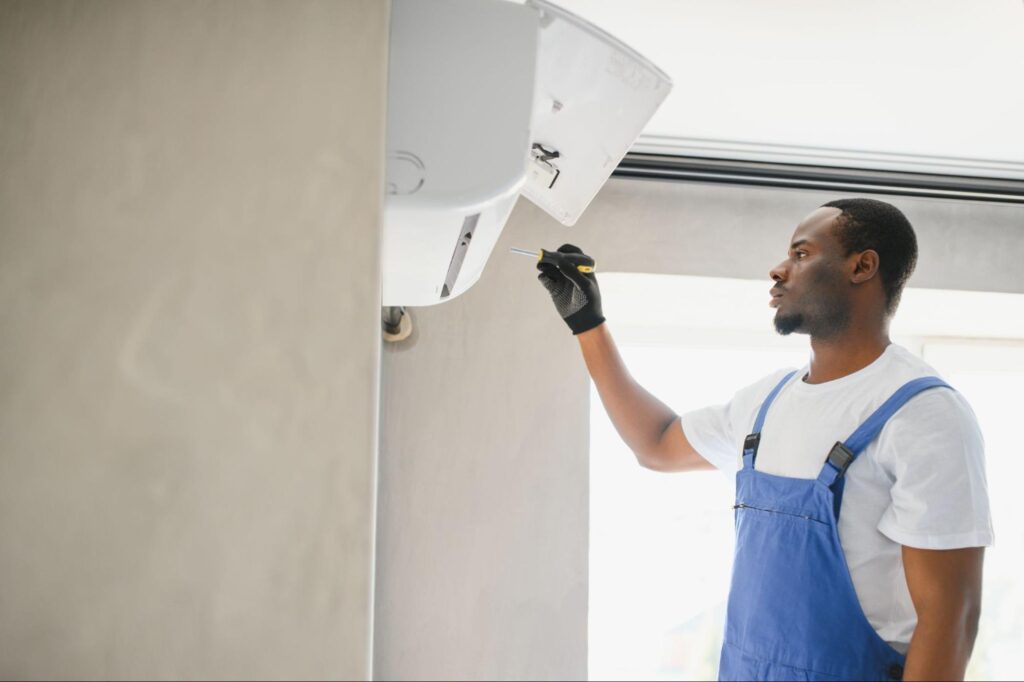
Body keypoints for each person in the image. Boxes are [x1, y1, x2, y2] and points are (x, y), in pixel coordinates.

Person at [536, 198, 993, 682]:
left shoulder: (923, 414)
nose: (778, 270)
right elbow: (656, 443)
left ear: (862, 266)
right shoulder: (765, 403)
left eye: (800, 254)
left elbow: (951, 620)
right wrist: (587, 323)